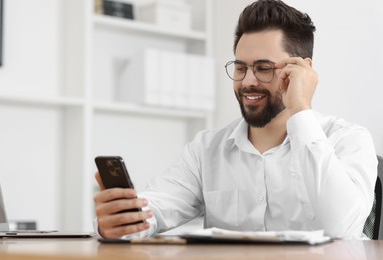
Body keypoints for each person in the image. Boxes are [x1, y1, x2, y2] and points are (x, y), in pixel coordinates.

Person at [93, 0, 377, 239]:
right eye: (241, 67)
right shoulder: (206, 149)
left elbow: (343, 228)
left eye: (264, 68)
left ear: (302, 70)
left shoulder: (348, 140)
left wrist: (300, 108)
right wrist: (121, 221)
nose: (248, 82)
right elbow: (157, 205)